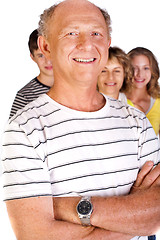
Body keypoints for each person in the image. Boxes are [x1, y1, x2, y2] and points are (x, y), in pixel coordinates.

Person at [2, 1, 160, 240]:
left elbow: (156, 215)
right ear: (45, 45)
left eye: (96, 33)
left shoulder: (137, 121)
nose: (86, 44)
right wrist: (134, 217)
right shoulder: (23, 130)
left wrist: (69, 208)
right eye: (71, 33)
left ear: (107, 45)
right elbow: (36, 235)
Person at [9, 29, 54, 118]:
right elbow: (14, 130)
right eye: (40, 55)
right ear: (33, 57)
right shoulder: (25, 96)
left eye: (51, 53)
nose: (48, 61)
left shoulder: (77, 87)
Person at [126, 47, 160, 137]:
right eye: (134, 68)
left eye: (146, 68)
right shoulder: (117, 98)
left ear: (153, 70)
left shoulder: (158, 102)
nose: (140, 74)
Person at [97, 46, 142, 111]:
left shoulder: (135, 111)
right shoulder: (81, 108)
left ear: (125, 74)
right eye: (103, 71)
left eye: (117, 71)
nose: (110, 77)